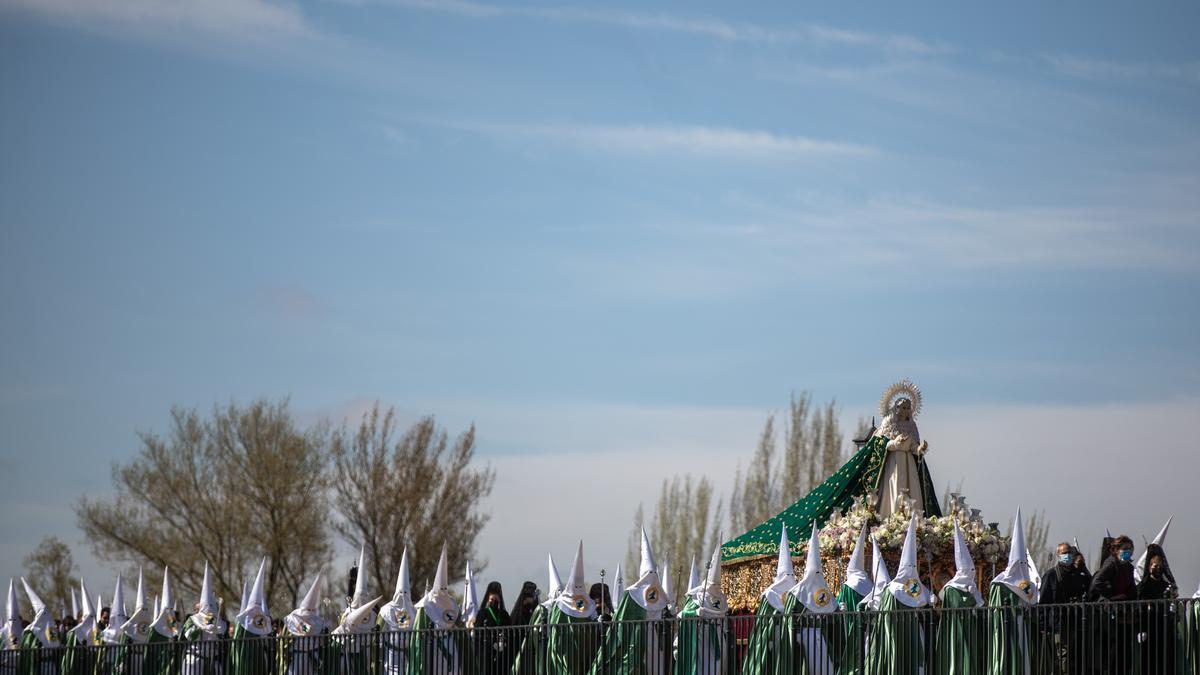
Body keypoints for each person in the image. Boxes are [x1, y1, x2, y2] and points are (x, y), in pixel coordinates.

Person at [588, 528, 668, 675]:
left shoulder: (660, 594)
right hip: (633, 640)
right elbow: (621, 620)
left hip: (652, 638)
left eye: (653, 573)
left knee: (655, 667)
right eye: (648, 574)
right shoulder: (631, 594)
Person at [1035, 543, 1088, 675]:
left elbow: (1087, 588)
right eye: (1064, 553)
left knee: (1071, 653)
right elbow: (1043, 601)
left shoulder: (1076, 574)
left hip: (1074, 620)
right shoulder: (1051, 575)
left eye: (1070, 552)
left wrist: (1083, 568)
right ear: (1058, 556)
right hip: (1058, 621)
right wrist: (1043, 624)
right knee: (1062, 653)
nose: (1068, 555)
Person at [546, 542, 597, 675]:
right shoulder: (561, 603)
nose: (579, 588)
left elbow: (594, 620)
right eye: (576, 585)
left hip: (585, 648)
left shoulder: (589, 603)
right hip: (566, 649)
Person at [1088, 535, 1135, 675]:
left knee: (1124, 647)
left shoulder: (1129, 567)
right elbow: (1097, 582)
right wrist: (1112, 596)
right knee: (1113, 647)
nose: (1127, 551)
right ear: (1116, 550)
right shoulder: (1110, 563)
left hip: (1124, 612)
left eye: (1130, 549)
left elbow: (1132, 588)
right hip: (1109, 612)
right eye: (1124, 549)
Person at [1135, 544, 1177, 675]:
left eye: (1160, 567)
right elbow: (1138, 607)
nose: (1157, 569)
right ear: (1149, 567)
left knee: (1165, 659)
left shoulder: (1166, 586)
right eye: (1154, 566)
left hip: (1164, 627)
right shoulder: (1143, 586)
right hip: (1148, 626)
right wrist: (1141, 629)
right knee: (1149, 660)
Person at [379, 549, 417, 675]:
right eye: (400, 592)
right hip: (392, 653)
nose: (403, 596)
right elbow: (379, 631)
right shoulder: (387, 610)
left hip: (409, 654)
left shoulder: (414, 610)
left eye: (405, 593)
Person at [475, 581, 513, 675]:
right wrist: (490, 642)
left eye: (496, 599)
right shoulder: (483, 613)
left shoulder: (504, 614)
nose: (494, 601)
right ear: (488, 600)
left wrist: (503, 640)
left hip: (501, 649)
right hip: (486, 649)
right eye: (492, 599)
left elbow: (509, 629)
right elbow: (478, 630)